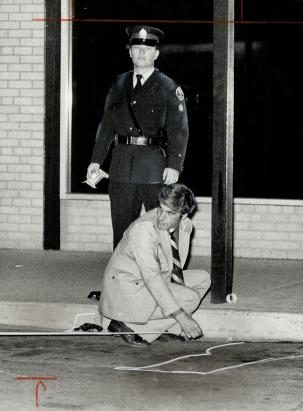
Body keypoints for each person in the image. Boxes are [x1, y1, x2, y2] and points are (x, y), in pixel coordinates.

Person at [86, 25, 189, 249]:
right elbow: (106, 126)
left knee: (161, 230)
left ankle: (165, 279)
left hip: (154, 169)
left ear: (156, 54)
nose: (141, 52)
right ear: (130, 52)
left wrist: (174, 165)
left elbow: (179, 129)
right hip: (121, 167)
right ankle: (122, 282)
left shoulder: (168, 86)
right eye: (137, 47)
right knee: (122, 231)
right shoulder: (118, 83)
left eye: (147, 48)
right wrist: (96, 160)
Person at [101, 184, 211, 347]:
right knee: (191, 298)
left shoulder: (185, 226)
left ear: (184, 214)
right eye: (161, 208)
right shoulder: (143, 229)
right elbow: (152, 277)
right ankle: (128, 326)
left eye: (170, 213)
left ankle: (161, 330)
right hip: (128, 286)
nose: (161, 217)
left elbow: (175, 268)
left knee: (203, 278)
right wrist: (182, 316)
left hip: (153, 279)